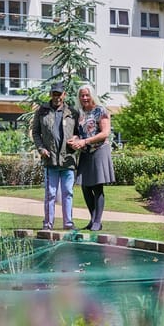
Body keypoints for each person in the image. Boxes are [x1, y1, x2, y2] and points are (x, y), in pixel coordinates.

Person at [31, 81, 80, 230]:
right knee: (50, 194)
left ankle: (68, 223)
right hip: (49, 159)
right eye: (54, 94)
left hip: (68, 159)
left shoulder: (72, 113)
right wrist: (41, 148)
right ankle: (48, 223)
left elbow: (79, 133)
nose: (57, 97)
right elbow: (35, 133)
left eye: (59, 94)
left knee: (68, 192)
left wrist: (77, 139)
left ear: (64, 95)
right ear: (50, 94)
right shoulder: (42, 111)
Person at [68, 84, 115, 231]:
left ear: (92, 95)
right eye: (82, 95)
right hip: (85, 152)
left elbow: (105, 133)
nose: (84, 98)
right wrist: (74, 139)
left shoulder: (100, 110)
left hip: (99, 150)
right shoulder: (80, 112)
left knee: (96, 186)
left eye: (87, 95)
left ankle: (97, 221)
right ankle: (93, 219)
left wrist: (85, 141)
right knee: (85, 186)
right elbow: (78, 131)